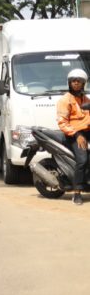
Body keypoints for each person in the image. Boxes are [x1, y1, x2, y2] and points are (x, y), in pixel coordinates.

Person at [56, 69, 90, 206]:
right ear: (69, 83)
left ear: (83, 83)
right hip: (73, 134)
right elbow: (62, 122)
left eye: (79, 81)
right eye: (73, 81)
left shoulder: (85, 99)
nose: (76, 83)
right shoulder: (65, 100)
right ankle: (77, 193)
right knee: (82, 160)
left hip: (87, 131)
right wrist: (77, 135)